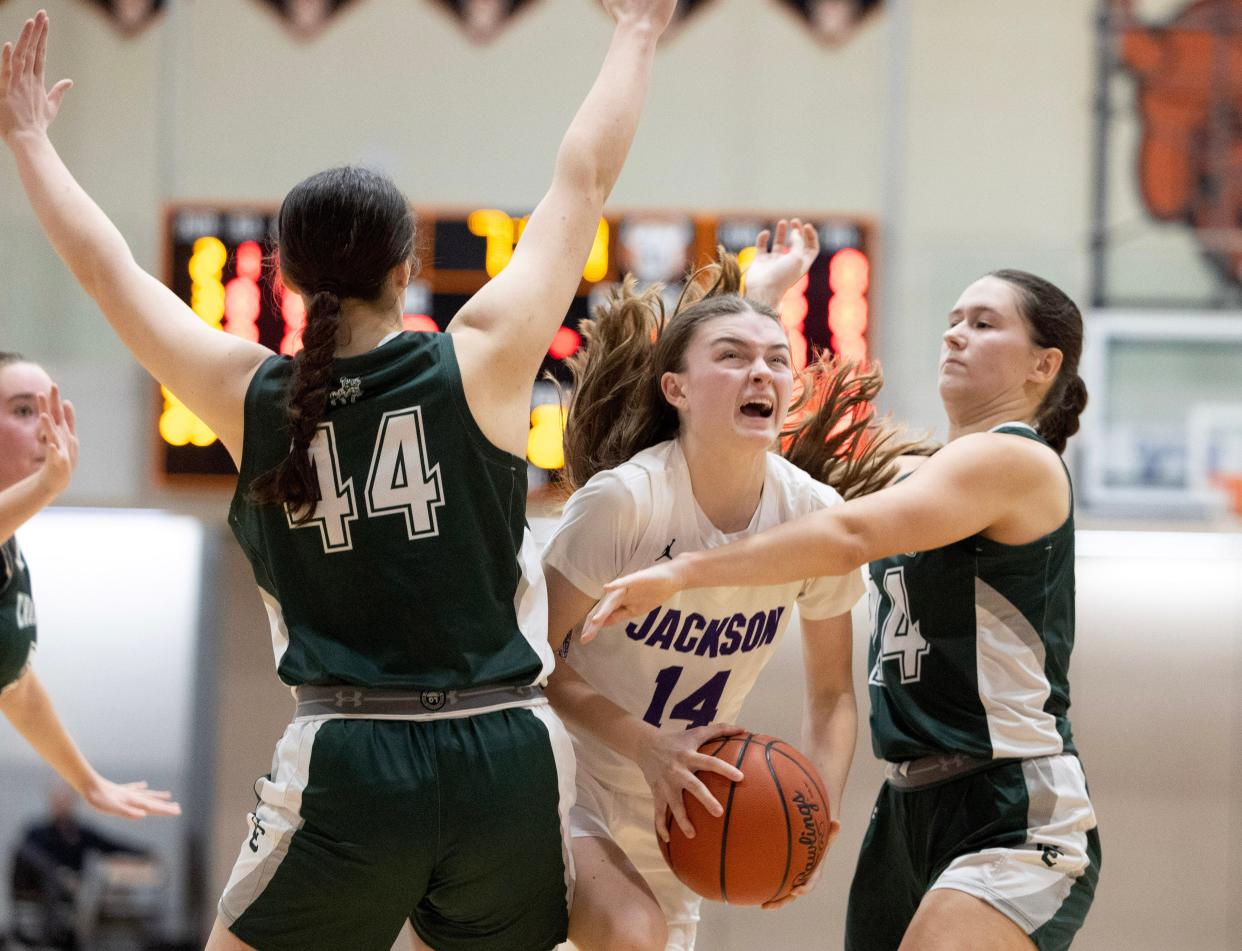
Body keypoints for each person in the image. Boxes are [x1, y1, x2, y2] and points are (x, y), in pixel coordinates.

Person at [1, 3, 675, 949]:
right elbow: (584, 176)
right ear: (407, 267)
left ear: (284, 277)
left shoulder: (246, 392)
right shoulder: (479, 357)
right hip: (504, 750)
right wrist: (635, 34)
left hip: (352, 755)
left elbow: (109, 272)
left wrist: (28, 141)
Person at [584, 269, 1102, 951]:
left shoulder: (1017, 461)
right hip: (908, 803)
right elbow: (758, 475)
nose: (955, 331)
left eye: (983, 322)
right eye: (954, 316)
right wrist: (759, 309)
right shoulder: (920, 474)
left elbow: (843, 536)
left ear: (1045, 363)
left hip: (1011, 800)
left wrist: (682, 572)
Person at [542, 226, 920, 951]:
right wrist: (646, 747)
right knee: (631, 931)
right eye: (735, 357)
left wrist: (818, 812)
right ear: (675, 389)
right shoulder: (627, 503)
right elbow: (529, 664)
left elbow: (834, 698)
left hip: (693, 803)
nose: (763, 373)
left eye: (779, 360)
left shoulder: (812, 515)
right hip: (570, 778)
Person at [0, 351, 182, 822]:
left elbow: (15, 686)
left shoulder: (11, 548)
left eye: (50, 412)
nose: (46, 429)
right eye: (23, 410)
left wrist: (87, 780)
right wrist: (45, 487)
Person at [10, 784, 154, 951]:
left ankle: (56, 930)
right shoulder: (37, 831)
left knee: (39, 863)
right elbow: (25, 855)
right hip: (38, 884)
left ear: (72, 803)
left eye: (64, 800)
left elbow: (110, 844)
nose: (61, 804)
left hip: (67, 890)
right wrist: (57, 874)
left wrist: (145, 852)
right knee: (26, 851)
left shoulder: (80, 832)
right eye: (58, 800)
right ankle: (58, 877)